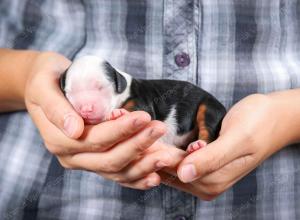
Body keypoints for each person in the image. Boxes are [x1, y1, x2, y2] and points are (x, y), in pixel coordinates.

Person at [1, 1, 300, 219]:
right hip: (49, 194)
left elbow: (142, 116)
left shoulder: (134, 98)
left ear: (118, 84)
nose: (87, 105)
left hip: (272, 197)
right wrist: (28, 77)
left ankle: (204, 137)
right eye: (73, 94)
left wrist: (287, 118)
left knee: (206, 117)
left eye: (98, 91)